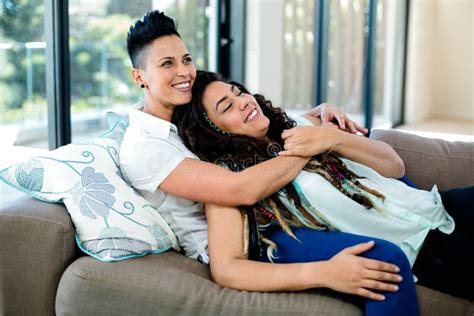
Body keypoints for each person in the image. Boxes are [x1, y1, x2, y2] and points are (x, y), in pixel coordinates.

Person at [119, 9, 408, 310]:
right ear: (139, 76)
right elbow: (240, 189)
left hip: (263, 209)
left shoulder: (182, 113)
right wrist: (308, 144)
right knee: (383, 258)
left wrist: (311, 119)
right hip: (246, 237)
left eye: (186, 59)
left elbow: (245, 123)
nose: (183, 72)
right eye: (167, 64)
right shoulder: (145, 148)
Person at [171, 70, 474, 313]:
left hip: (441, 207)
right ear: (213, 132)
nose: (244, 102)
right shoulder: (233, 182)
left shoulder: (297, 124)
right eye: (228, 106)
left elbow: (394, 166)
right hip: (426, 251)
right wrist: (322, 272)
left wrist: (332, 139)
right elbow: (227, 268)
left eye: (238, 92)